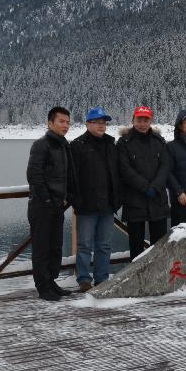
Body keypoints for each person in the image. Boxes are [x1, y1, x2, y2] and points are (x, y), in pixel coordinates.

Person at [26, 106, 77, 301]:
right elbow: (34, 176)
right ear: (50, 123)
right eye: (61, 122)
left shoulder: (64, 145)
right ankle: (42, 286)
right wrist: (47, 199)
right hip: (42, 206)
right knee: (41, 247)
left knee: (55, 246)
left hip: (57, 206)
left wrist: (69, 196)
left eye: (67, 122)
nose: (65, 126)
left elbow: (67, 175)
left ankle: (51, 281)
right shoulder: (41, 145)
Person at [70, 107, 121, 292]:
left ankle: (102, 278)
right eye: (97, 122)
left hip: (107, 205)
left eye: (103, 123)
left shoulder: (111, 144)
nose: (101, 126)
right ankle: (84, 279)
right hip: (86, 206)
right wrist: (76, 200)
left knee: (104, 245)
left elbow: (116, 173)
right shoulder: (77, 145)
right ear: (87, 124)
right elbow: (71, 176)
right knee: (84, 245)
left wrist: (118, 198)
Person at [117, 106, 172, 260]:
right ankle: (137, 278)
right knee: (136, 245)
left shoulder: (159, 141)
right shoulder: (124, 142)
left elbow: (165, 166)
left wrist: (154, 187)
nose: (142, 123)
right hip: (135, 199)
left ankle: (158, 276)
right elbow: (124, 168)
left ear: (150, 121)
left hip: (157, 198)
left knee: (159, 244)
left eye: (145, 120)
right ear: (133, 120)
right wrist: (144, 186)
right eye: (139, 120)